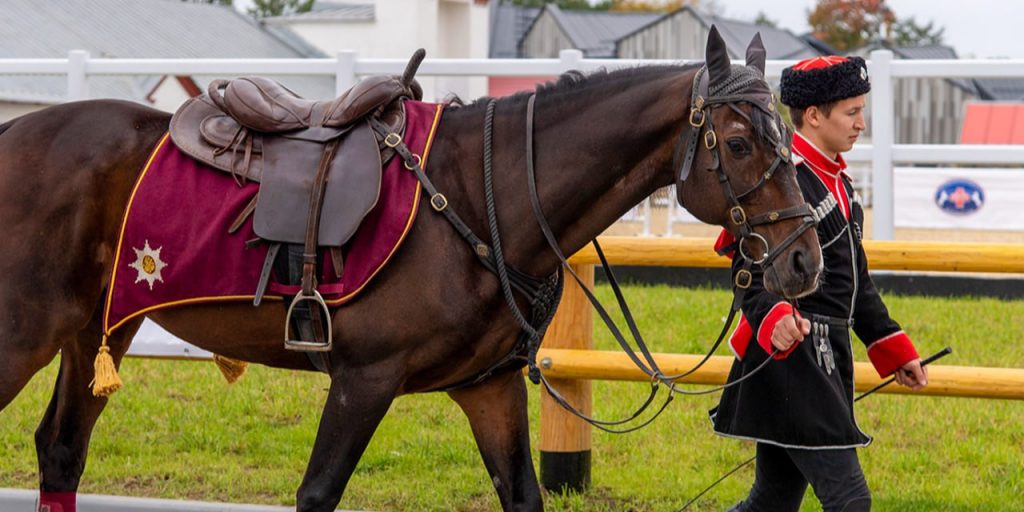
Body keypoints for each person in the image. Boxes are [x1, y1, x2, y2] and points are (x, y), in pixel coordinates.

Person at [709, 55, 929, 512]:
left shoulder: (839, 185)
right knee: (850, 501)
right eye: (851, 112)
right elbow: (746, 270)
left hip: (823, 357)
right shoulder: (781, 182)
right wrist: (773, 313)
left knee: (771, 501)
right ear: (813, 116)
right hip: (794, 359)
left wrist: (893, 348)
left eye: (861, 110)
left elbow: (856, 282)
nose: (861, 123)